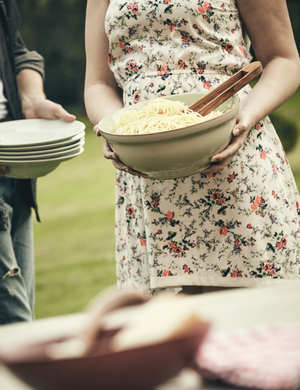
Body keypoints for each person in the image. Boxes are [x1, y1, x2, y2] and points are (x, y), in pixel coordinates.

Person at [84, 0, 300, 296]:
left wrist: (244, 118)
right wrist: (115, 128)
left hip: (234, 162)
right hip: (148, 178)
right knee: (169, 330)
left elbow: (284, 59)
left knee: (255, 317)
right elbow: (97, 84)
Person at [0, 0, 75, 324]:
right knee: (16, 326)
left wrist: (32, 99)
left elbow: (13, 47)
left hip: (13, 167)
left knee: (22, 315)